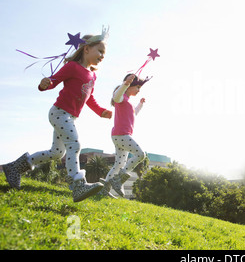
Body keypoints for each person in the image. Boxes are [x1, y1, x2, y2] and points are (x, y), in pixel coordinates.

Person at [3, 29, 112, 202]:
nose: (102, 55)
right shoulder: (72, 67)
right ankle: (77, 185)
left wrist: (101, 112)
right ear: (86, 49)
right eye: (100, 51)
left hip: (69, 117)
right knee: (74, 144)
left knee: (57, 152)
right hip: (60, 113)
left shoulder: (92, 75)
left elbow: (89, 98)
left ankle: (15, 167)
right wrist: (45, 84)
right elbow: (53, 81)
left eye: (104, 53)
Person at [100, 73, 149, 198]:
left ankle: (104, 189)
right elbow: (116, 96)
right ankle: (118, 179)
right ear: (130, 86)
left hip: (119, 136)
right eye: (137, 87)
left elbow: (134, 114)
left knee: (119, 164)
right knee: (140, 154)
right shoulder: (121, 99)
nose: (139, 91)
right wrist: (125, 83)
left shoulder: (128, 103)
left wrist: (140, 105)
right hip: (122, 135)